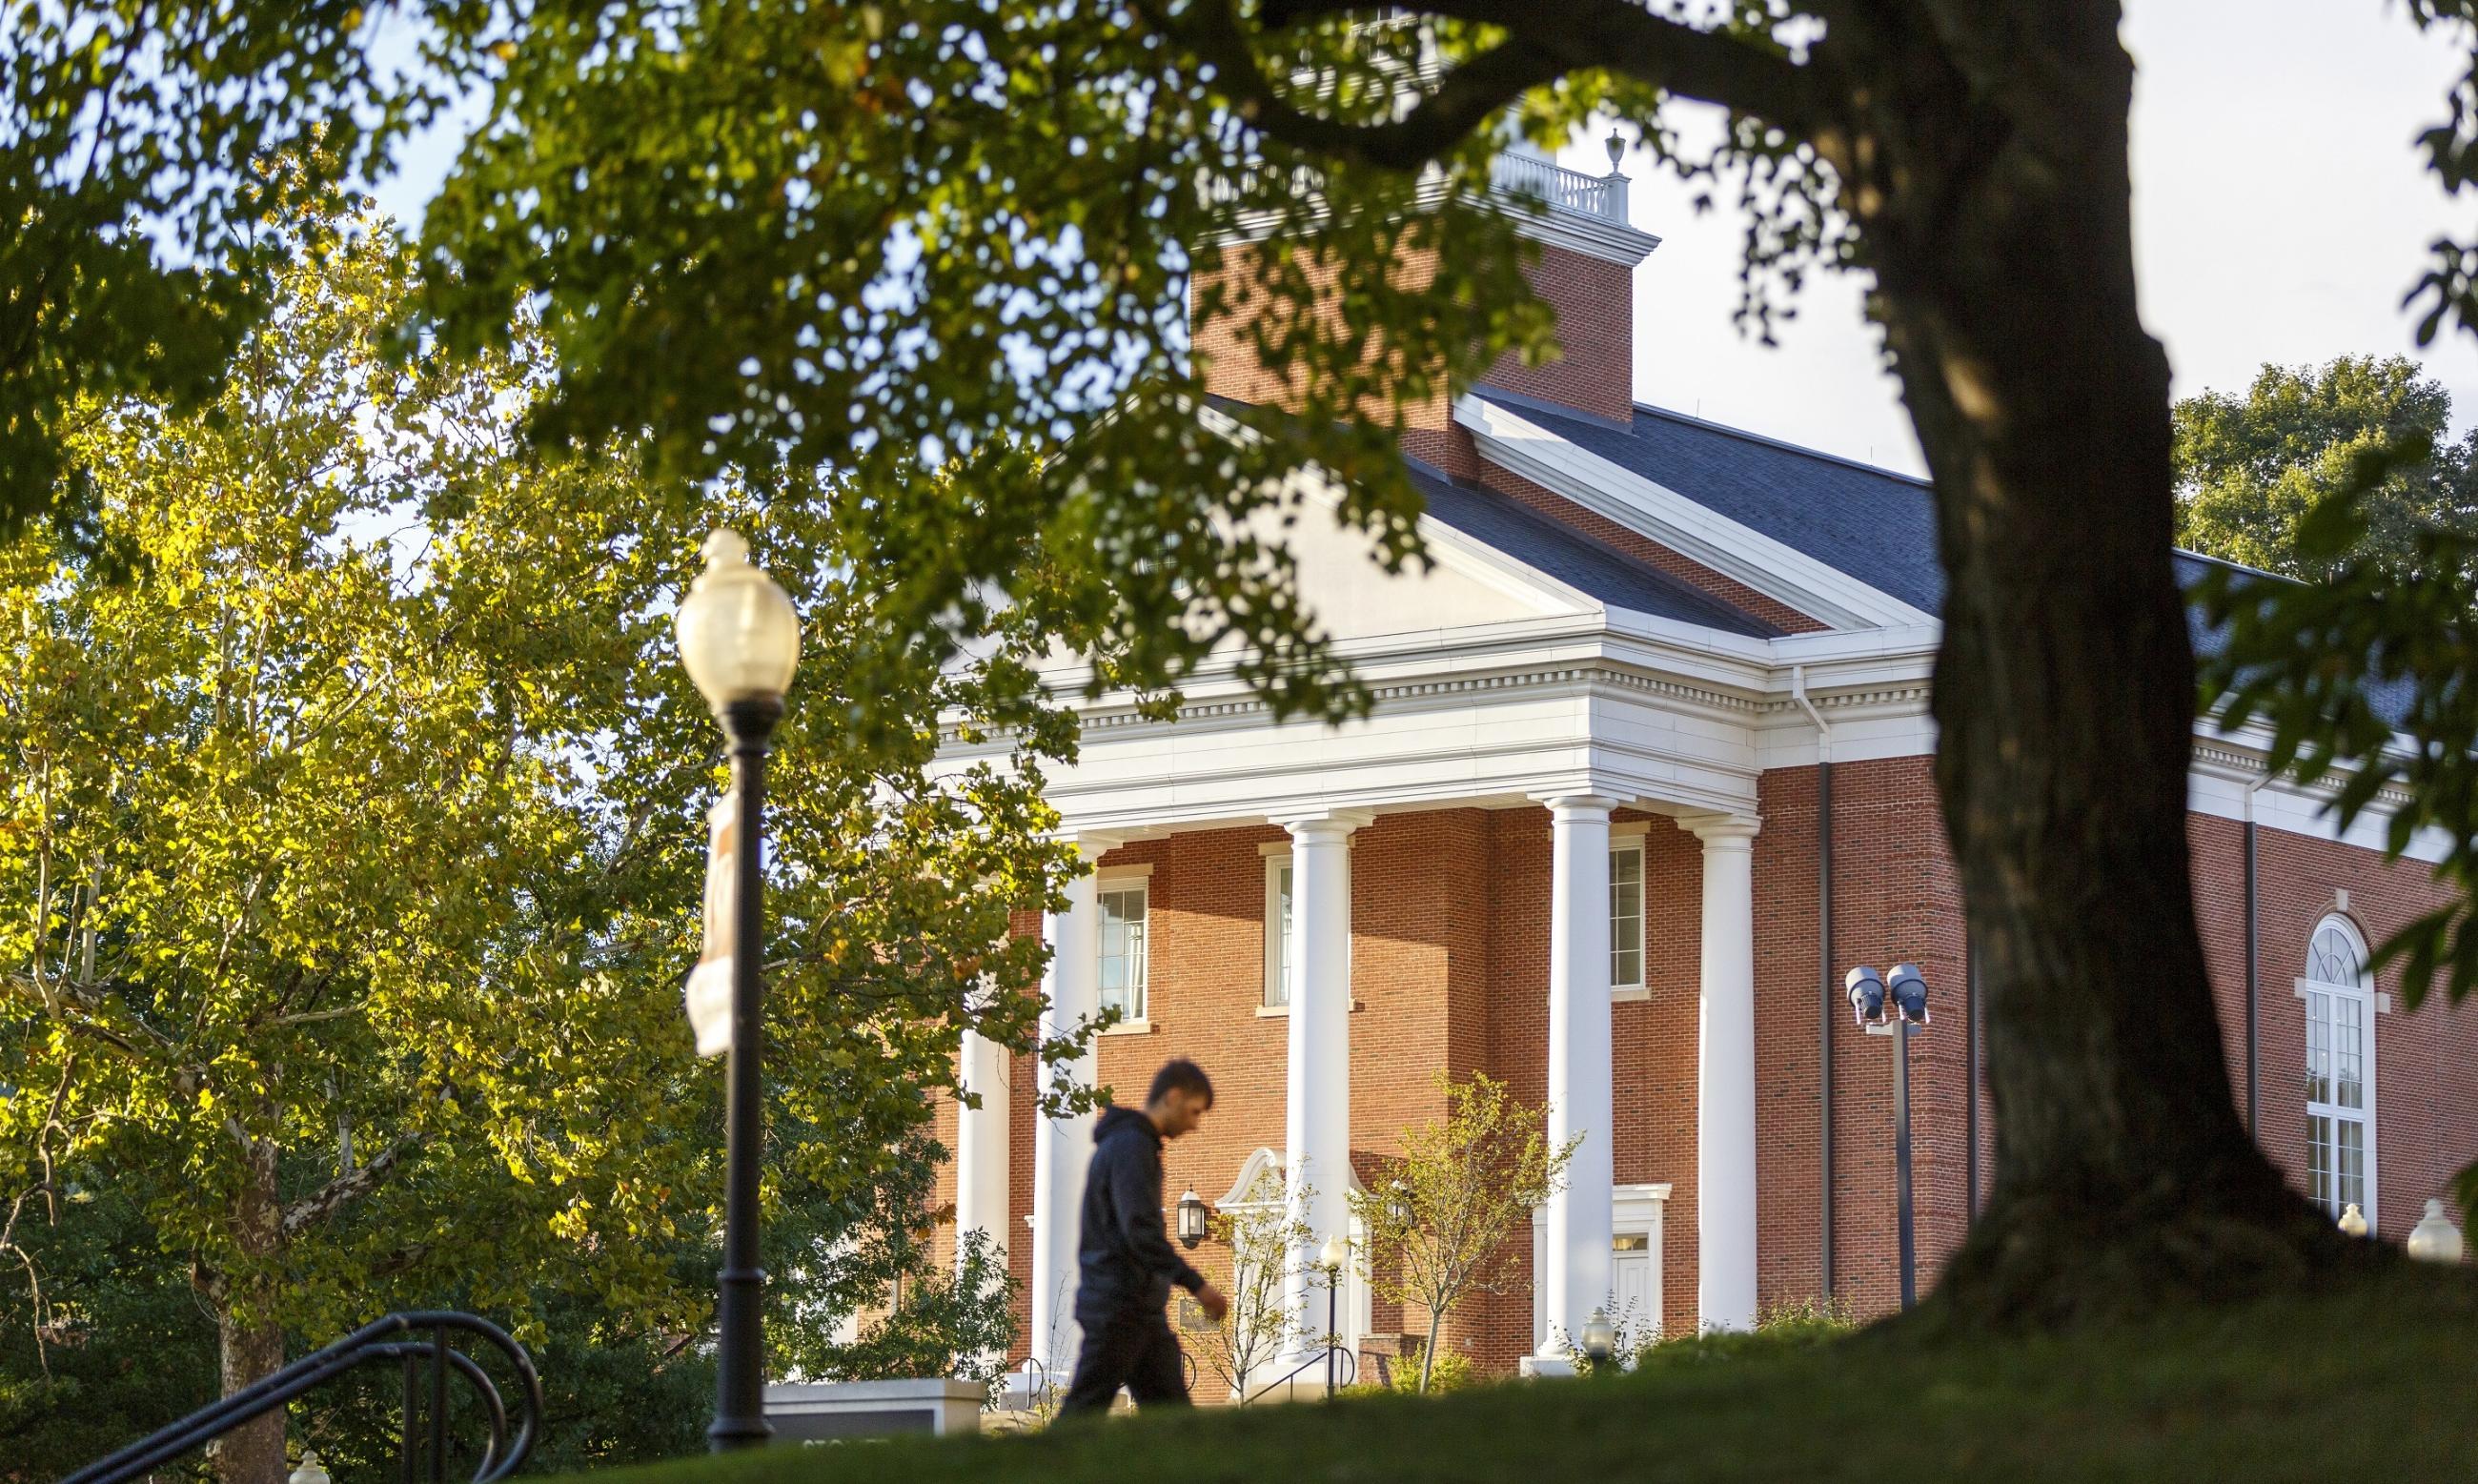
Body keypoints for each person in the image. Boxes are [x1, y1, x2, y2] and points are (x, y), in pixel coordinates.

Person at [1060, 1058, 1229, 1416]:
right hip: (1118, 1305)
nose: (1196, 1124)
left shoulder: (1134, 1146)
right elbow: (1140, 1232)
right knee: (1083, 1413)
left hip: (1138, 1309)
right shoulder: (1131, 1148)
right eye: (1195, 1111)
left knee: (1172, 1418)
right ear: (1173, 1096)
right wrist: (1198, 1285)